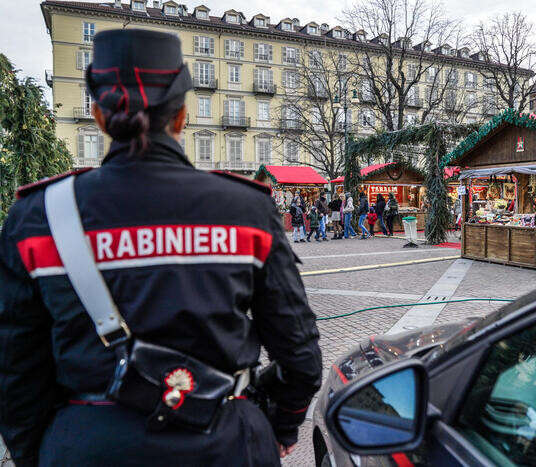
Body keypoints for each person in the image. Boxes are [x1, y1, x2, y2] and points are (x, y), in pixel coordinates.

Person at [0, 29, 322, 467]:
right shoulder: (247, 210)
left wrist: (42, 450)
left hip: (88, 445)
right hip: (224, 442)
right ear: (183, 116)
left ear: (98, 114)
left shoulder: (39, 217)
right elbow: (300, 355)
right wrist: (279, 423)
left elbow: (15, 372)